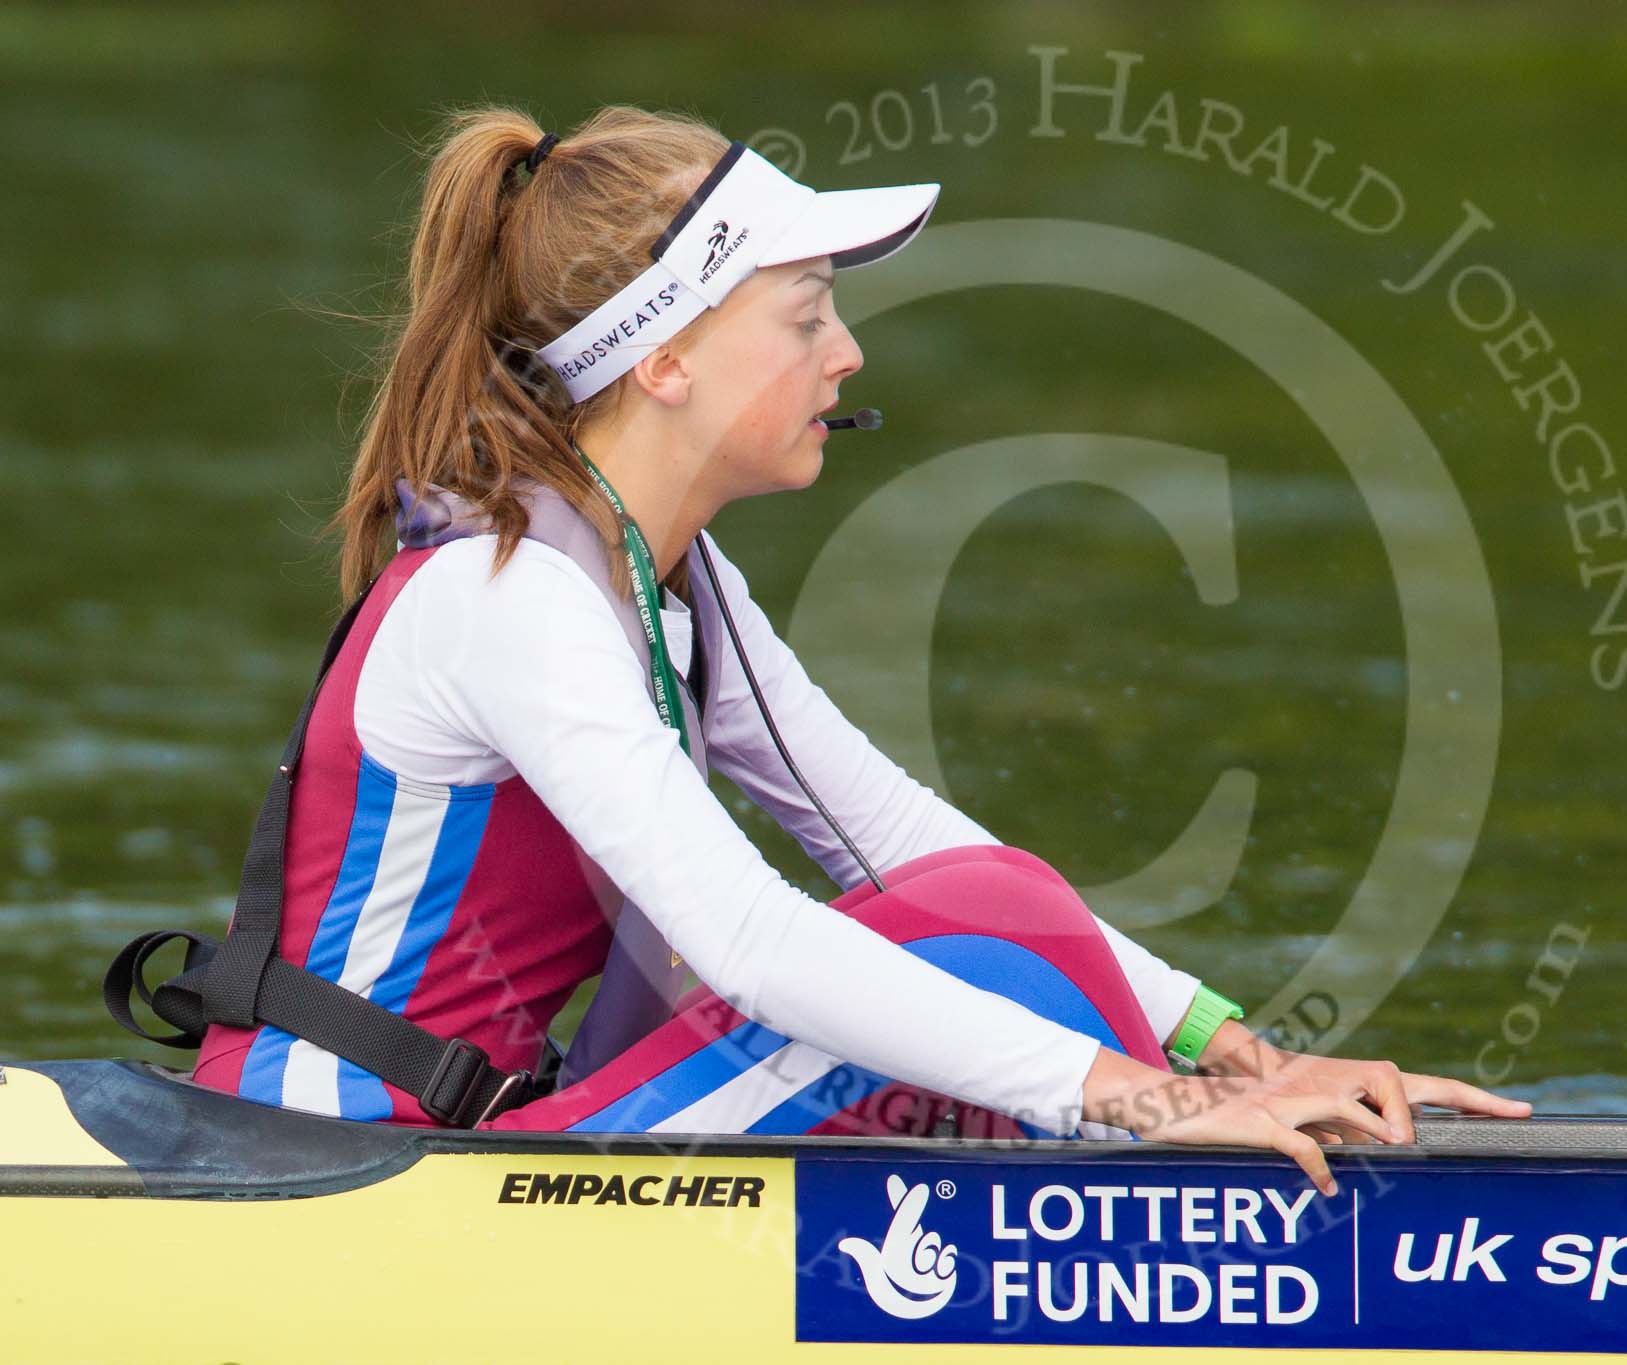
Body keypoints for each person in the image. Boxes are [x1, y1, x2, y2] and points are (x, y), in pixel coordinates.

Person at [177, 104, 1528, 1196]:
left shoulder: (671, 581)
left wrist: (1234, 1052)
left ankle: (1206, 1144)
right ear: (666, 360)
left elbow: (904, 846)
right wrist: (1130, 1090)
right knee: (989, 956)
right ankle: (1151, 1158)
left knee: (990, 899)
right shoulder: (507, 590)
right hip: (337, 1159)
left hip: (504, 1133)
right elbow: (747, 940)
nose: (848, 351)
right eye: (807, 311)